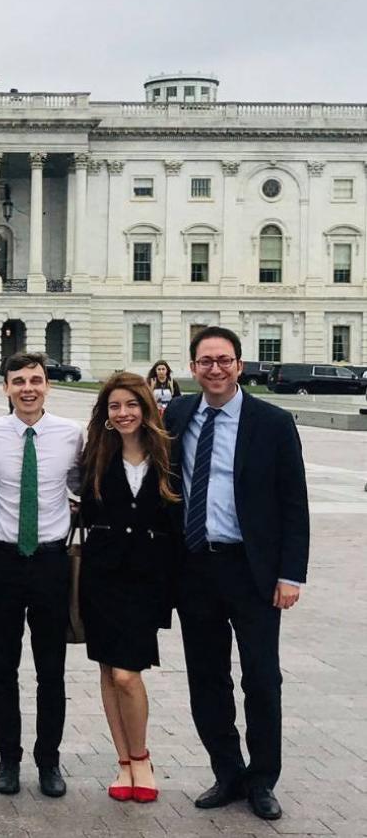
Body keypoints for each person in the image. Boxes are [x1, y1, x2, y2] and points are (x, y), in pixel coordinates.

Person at [164, 327, 309, 823]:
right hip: (196, 567)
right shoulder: (177, 415)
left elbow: (294, 502)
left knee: (262, 678)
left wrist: (291, 574)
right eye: (205, 361)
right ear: (193, 367)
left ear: (239, 365)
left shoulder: (272, 421)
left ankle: (262, 778)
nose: (215, 369)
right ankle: (227, 771)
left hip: (253, 572)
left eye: (224, 360)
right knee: (207, 678)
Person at [0, 350, 83, 799]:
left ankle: (49, 760)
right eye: (19, 381)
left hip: (52, 562)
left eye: (36, 379)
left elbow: (81, 481)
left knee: (51, 670)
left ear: (47, 385)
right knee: (3, 669)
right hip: (3, 562)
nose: (28, 388)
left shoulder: (71, 435)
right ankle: (8, 758)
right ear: (6, 388)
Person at [77, 372, 178, 805]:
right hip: (101, 576)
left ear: (146, 408)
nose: (123, 414)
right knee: (107, 670)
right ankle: (124, 762)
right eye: (115, 407)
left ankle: (142, 756)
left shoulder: (168, 454)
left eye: (131, 405)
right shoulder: (95, 455)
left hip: (146, 579)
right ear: (105, 414)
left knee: (126, 674)